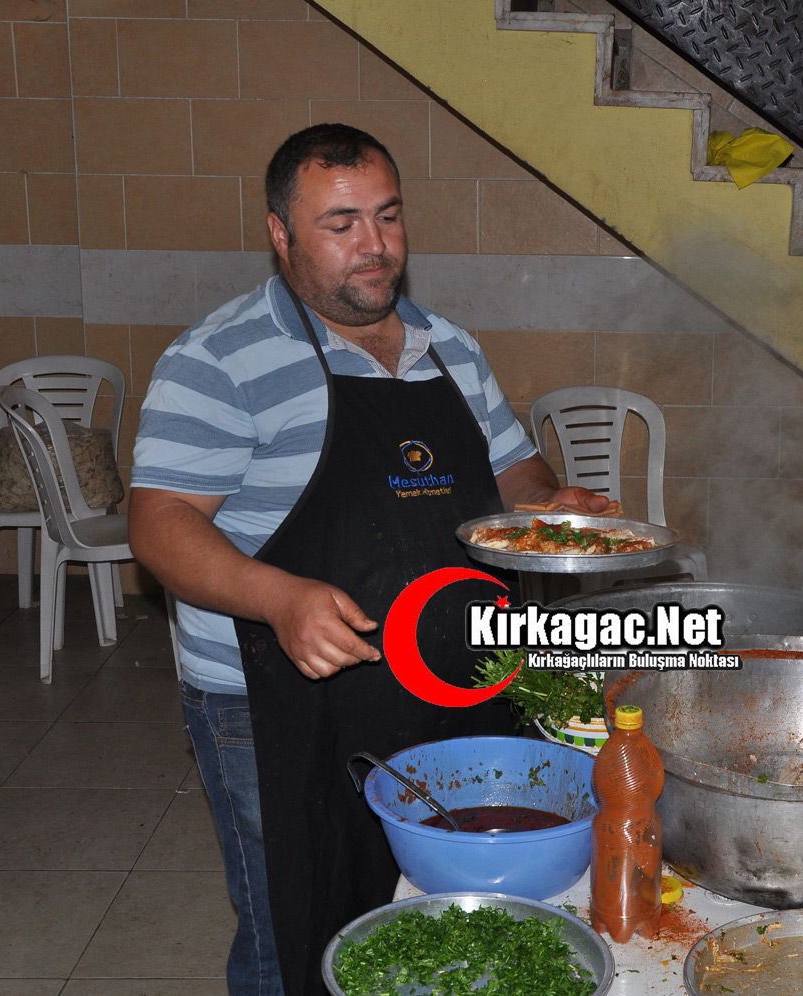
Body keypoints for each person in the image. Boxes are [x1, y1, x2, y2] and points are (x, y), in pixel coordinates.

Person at [129, 123, 606, 996]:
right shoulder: (218, 359)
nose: (375, 245)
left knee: (440, 915)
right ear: (280, 233)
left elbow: (514, 471)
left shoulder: (450, 347)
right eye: (341, 224)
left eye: (387, 216)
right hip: (273, 700)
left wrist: (548, 506)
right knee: (293, 923)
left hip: (446, 685)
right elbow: (159, 524)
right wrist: (278, 597)